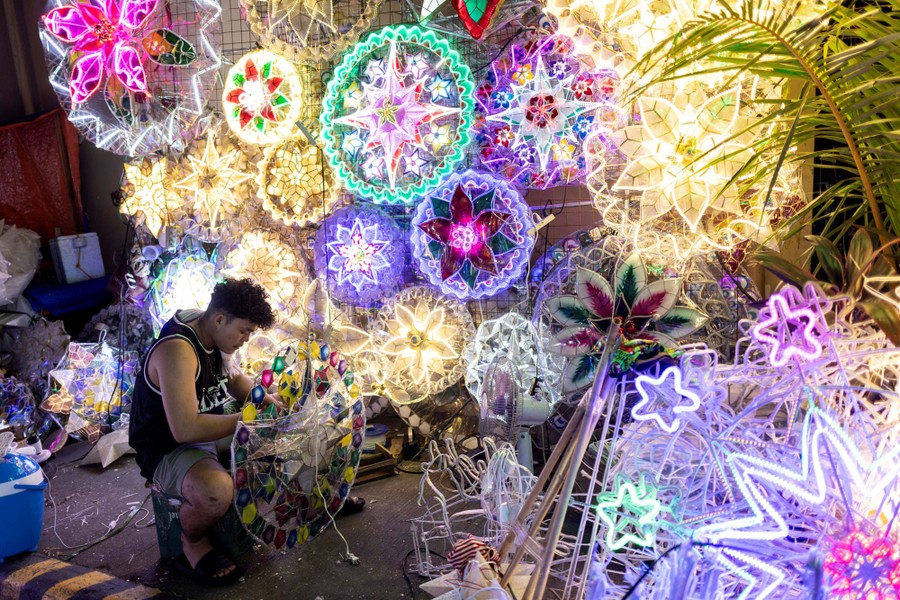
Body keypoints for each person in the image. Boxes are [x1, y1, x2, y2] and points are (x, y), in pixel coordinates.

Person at [129, 277, 276, 586]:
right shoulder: (178, 350)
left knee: (284, 435)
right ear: (220, 319)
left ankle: (318, 506)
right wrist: (246, 419)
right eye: (244, 331)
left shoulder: (213, 332)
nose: (245, 340)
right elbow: (185, 429)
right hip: (168, 447)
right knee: (216, 492)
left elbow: (234, 380)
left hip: (207, 430)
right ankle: (192, 543)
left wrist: (265, 402)